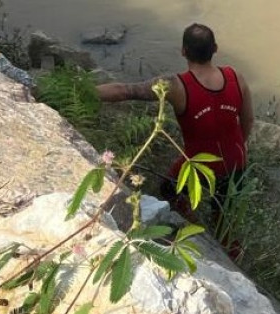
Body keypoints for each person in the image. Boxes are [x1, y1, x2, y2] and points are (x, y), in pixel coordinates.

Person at [96, 22, 254, 225]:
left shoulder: (176, 85)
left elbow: (125, 90)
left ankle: (193, 225)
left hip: (197, 164)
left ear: (183, 51)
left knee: (168, 190)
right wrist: (241, 147)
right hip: (235, 161)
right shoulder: (236, 77)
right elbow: (248, 119)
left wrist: (84, 90)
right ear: (215, 48)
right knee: (225, 218)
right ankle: (222, 242)